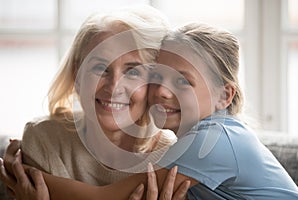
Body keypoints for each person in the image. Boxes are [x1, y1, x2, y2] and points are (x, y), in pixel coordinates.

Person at [4, 22, 298, 199]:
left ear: (224, 96)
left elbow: (103, 197)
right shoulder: (195, 143)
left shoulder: (213, 143)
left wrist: (19, 173)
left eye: (183, 80)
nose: (162, 91)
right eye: (157, 76)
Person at [0, 5, 191, 200]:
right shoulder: (45, 140)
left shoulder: (173, 159)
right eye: (100, 67)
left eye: (133, 71)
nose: (114, 86)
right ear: (77, 76)